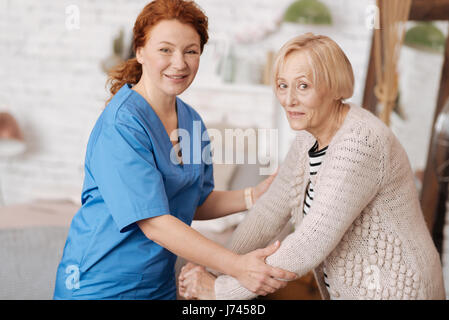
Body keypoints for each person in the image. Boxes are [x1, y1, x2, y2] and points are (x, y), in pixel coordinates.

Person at [53, 0, 298, 300]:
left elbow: (192, 201)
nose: (179, 63)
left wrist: (253, 196)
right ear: (140, 51)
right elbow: (155, 222)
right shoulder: (121, 125)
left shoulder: (191, 121)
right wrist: (237, 266)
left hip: (157, 287)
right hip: (99, 285)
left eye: (190, 51)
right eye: (165, 49)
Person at [178, 33, 446, 300]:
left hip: (399, 291)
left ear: (333, 85)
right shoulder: (308, 137)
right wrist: (218, 269)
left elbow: (309, 242)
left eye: (303, 86)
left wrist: (220, 290)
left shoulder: (360, 141)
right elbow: (268, 212)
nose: (289, 99)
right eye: (283, 85)